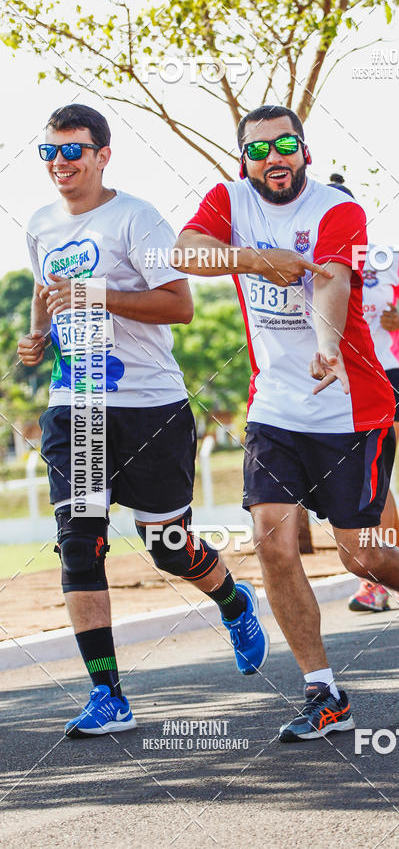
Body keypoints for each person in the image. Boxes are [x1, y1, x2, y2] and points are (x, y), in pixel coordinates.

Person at [173, 104, 399, 742]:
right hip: (274, 408)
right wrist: (253, 260)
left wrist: (327, 345)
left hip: (350, 406)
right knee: (272, 545)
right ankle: (324, 692)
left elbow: (330, 279)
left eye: (285, 145)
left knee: (360, 557)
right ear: (243, 158)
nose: (273, 158)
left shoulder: (338, 209)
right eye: (258, 150)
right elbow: (185, 251)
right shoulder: (228, 200)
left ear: (304, 148)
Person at [18, 104, 268, 739]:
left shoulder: (138, 217)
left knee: (168, 547)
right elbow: (49, 297)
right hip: (76, 405)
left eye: (74, 151)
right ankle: (108, 694)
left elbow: (179, 305)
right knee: (79, 543)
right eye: (50, 153)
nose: (61, 164)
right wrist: (37, 336)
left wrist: (97, 295)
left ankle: (233, 601)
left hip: (150, 405)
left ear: (103, 155)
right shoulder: (42, 224)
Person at [327, 177, 399, 610]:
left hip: (388, 373)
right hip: (340, 378)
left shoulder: (386, 258)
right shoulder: (315, 258)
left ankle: (378, 578)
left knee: (373, 475)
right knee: (369, 477)